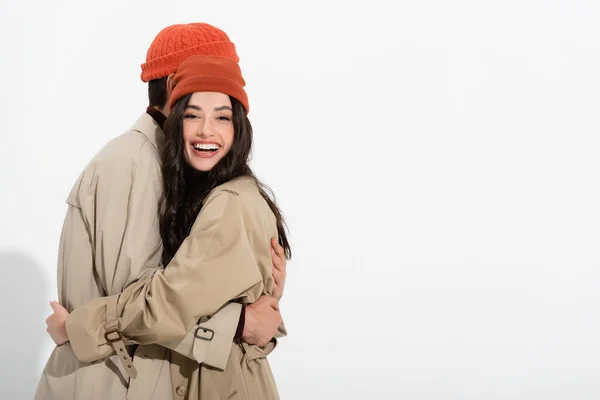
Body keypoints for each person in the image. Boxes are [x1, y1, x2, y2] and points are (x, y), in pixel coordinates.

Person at [36, 23, 287, 400]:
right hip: (108, 382)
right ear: (176, 85)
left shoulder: (184, 169)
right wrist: (240, 323)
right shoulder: (134, 163)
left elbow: (186, 287)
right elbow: (142, 301)